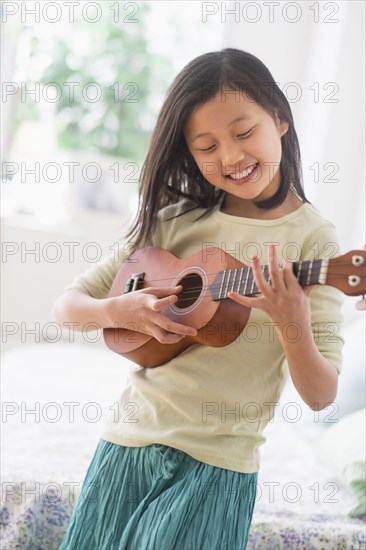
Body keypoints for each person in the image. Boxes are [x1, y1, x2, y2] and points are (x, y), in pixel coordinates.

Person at [55, 48, 344, 549]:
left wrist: (292, 321)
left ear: (280, 118)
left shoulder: (313, 241)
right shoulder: (175, 222)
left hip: (219, 466)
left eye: (243, 132)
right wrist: (116, 311)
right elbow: (68, 305)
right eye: (206, 146)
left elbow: (321, 394)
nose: (229, 157)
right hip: (127, 442)